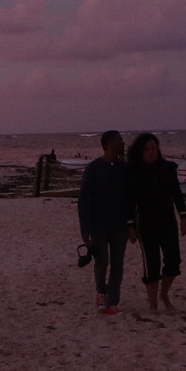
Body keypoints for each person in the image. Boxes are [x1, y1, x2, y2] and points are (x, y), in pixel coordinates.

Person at [126, 133, 186, 314]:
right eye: (147, 149)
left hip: (168, 221)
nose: (151, 152)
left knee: (173, 261)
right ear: (140, 152)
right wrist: (130, 225)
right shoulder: (134, 173)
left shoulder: (168, 169)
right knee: (151, 265)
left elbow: (177, 194)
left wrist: (184, 217)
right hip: (145, 223)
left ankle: (164, 294)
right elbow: (129, 201)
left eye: (154, 148)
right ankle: (153, 304)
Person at [77, 130, 135, 315]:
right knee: (102, 262)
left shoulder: (124, 168)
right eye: (120, 140)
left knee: (118, 264)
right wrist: (85, 227)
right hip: (99, 225)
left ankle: (112, 302)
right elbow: (84, 198)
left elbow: (130, 199)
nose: (123, 144)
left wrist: (132, 224)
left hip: (120, 225)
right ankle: (101, 290)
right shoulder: (94, 168)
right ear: (110, 142)